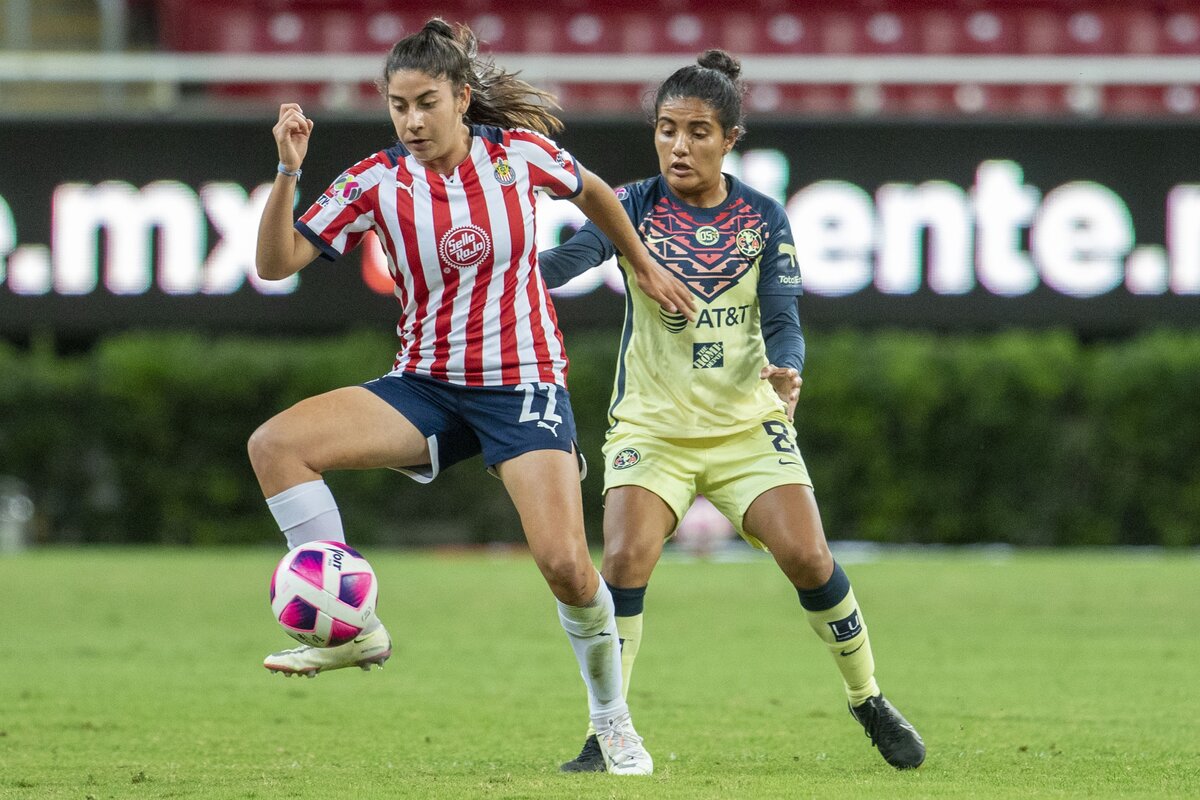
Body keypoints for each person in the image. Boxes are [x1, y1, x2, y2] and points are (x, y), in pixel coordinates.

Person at [247, 18, 695, 776]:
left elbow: (593, 192)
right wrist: (289, 171)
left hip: (522, 383)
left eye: (425, 103)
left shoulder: (518, 156)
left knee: (564, 565)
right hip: (424, 385)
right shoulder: (375, 180)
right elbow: (275, 261)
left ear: (460, 98)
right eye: (397, 106)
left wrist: (642, 263)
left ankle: (612, 720)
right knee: (276, 446)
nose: (412, 121)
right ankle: (352, 622)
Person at [540, 50, 926, 772]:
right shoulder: (629, 206)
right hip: (652, 429)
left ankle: (867, 697)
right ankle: (608, 729)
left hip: (747, 427)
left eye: (697, 132)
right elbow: (564, 265)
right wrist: (502, 275)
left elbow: (782, 317)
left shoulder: (763, 218)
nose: (679, 146)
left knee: (810, 559)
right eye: (665, 129)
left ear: (730, 139)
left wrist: (790, 368)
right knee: (623, 560)